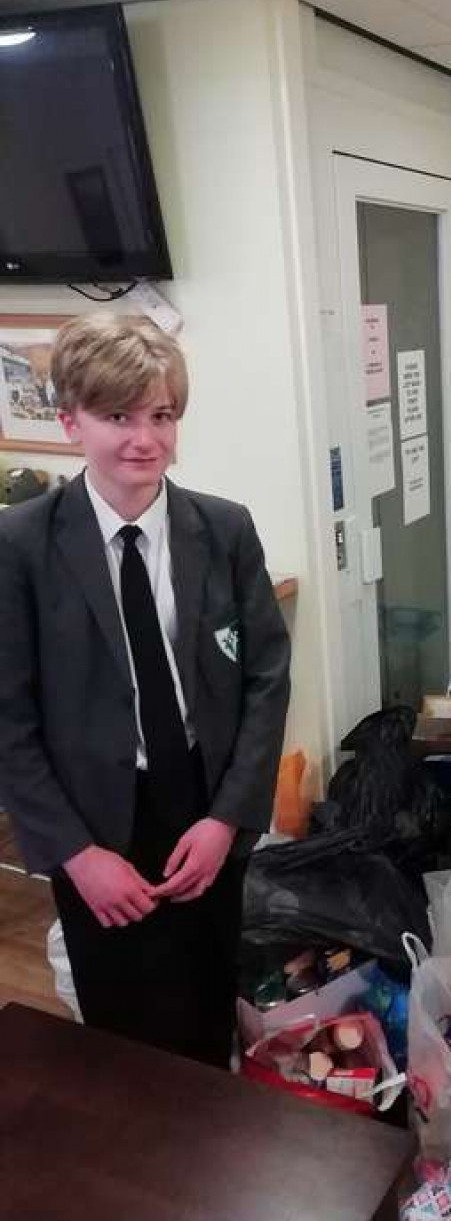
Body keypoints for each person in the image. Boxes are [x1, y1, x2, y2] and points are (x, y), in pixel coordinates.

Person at [0, 313, 291, 1068]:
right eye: (117, 416)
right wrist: (75, 854)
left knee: (205, 989)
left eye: (161, 415)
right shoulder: (22, 546)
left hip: (200, 800)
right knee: (123, 1022)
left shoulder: (223, 531)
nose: (145, 439)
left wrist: (228, 818)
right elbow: (10, 719)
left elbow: (265, 676)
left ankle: (213, 1139)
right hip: (95, 816)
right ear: (70, 421)